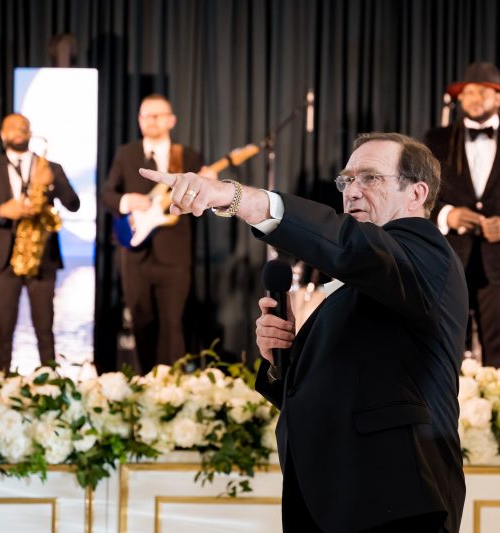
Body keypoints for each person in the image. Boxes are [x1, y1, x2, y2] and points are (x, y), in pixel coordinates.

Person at [140, 132, 468, 533]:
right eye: (346, 180)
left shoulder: (426, 250)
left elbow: (350, 246)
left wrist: (240, 199)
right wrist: (284, 357)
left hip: (395, 500)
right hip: (336, 499)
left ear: (416, 194)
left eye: (370, 178)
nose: (351, 192)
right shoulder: (370, 277)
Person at [424, 62, 500, 368]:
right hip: (449, 259)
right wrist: (447, 216)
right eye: (467, 92)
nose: (474, 97)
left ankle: (498, 414)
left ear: (498, 99)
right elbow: (420, 193)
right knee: (443, 348)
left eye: (482, 91)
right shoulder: (436, 139)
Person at [101, 94, 204, 372]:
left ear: (171, 120)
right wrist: (127, 201)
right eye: (144, 115)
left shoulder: (188, 156)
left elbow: (203, 201)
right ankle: (147, 383)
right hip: (135, 254)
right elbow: (107, 195)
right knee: (140, 319)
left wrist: (210, 189)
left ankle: (172, 387)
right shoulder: (126, 153)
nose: (150, 121)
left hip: (175, 254)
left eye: (157, 115)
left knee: (173, 324)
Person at [0, 113, 80, 370]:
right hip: (2, 261)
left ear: (31, 133)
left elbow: (74, 204)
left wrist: (53, 184)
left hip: (42, 257)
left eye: (24, 127)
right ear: (2, 134)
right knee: (2, 330)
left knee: (45, 330)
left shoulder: (51, 167)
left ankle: (52, 385)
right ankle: (0, 386)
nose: (18, 130)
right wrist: (2, 212)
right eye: (12, 126)